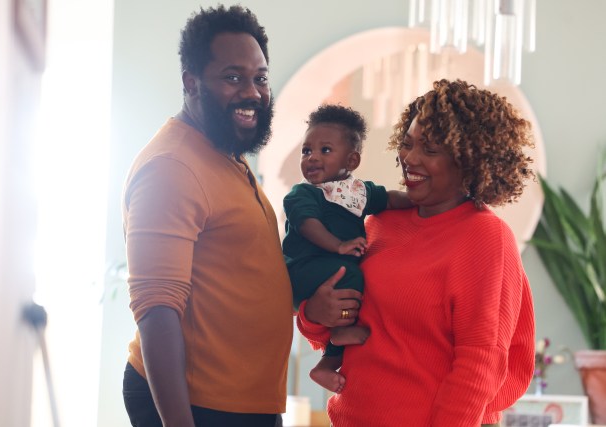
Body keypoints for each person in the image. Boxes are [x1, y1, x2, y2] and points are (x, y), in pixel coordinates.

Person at [297, 79, 536, 427]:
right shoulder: (379, 223)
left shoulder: (486, 236)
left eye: (430, 149)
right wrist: (312, 314)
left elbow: (480, 362)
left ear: (467, 159)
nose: (409, 158)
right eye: (407, 144)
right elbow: (335, 330)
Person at [121, 5, 304, 427]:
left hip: (243, 400)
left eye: (260, 78)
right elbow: (156, 307)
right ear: (191, 82)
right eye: (233, 77)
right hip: (198, 403)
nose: (254, 92)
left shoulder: (224, 157)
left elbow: (237, 276)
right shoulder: (172, 166)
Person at [282, 104, 412, 393]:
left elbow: (389, 199)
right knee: (353, 276)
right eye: (306, 150)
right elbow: (307, 225)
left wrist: (417, 199)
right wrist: (338, 245)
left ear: (351, 160)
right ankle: (337, 337)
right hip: (300, 268)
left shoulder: (358, 192)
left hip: (330, 270)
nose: (312, 157)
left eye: (325, 150)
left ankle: (327, 365)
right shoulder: (303, 193)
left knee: (354, 282)